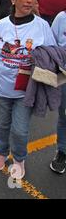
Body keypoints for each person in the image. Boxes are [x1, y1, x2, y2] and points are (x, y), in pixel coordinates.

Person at [0, 0, 56, 179]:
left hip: (27, 90)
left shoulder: (42, 26)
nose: (29, 0)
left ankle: (19, 158)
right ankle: (2, 152)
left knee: (20, 129)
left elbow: (53, 55)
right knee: (2, 125)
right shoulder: (1, 25)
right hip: (1, 87)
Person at [49, 10, 66, 174]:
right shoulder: (61, 18)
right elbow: (52, 46)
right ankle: (62, 151)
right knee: (65, 116)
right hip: (64, 76)